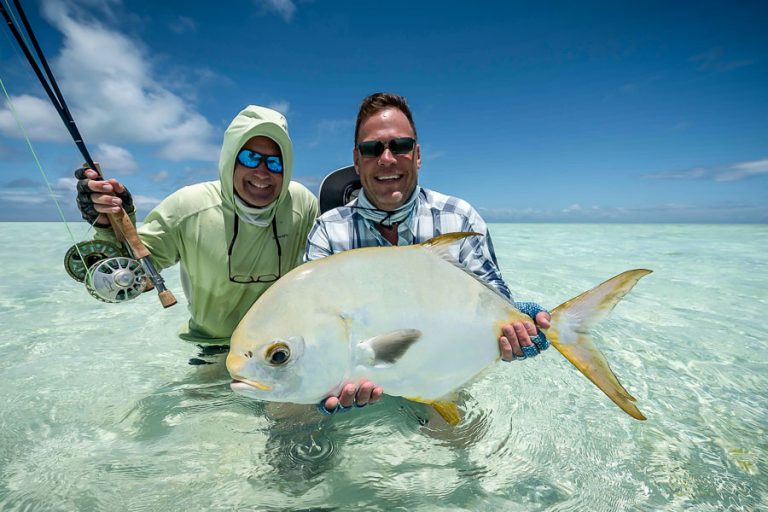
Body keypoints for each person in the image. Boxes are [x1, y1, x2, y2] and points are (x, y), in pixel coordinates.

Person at [307, 93, 552, 415]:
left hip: (444, 373)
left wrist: (515, 323)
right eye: (372, 149)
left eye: (400, 146)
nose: (387, 159)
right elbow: (314, 323)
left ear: (418, 155)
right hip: (358, 386)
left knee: (464, 457)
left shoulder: (459, 217)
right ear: (356, 160)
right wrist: (316, 386)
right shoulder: (328, 230)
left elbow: (492, 294)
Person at [75, 105, 318, 348]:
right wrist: (108, 224)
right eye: (250, 158)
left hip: (282, 345)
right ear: (230, 158)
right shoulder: (188, 205)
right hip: (210, 345)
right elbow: (131, 277)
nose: (263, 172)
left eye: (275, 163)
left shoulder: (302, 203)